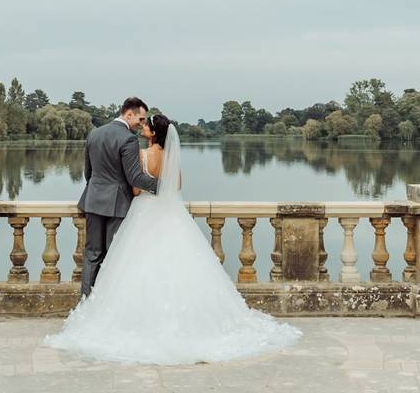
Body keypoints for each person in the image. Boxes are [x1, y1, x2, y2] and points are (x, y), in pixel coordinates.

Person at [45, 113, 301, 365]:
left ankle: (134, 318)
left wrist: (145, 188)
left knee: (134, 264)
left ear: (153, 134)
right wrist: (162, 186)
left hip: (144, 213)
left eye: (147, 125)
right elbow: (176, 185)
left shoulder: (143, 154)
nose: (143, 127)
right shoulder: (169, 157)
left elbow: (135, 187)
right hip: (169, 213)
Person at [77, 97, 158, 297]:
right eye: (140, 119)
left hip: (93, 200)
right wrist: (163, 185)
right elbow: (135, 177)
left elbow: (88, 173)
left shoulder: (94, 133)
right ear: (128, 114)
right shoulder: (128, 138)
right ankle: (107, 303)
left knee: (92, 254)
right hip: (117, 204)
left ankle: (86, 304)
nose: (141, 125)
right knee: (114, 255)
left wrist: (96, 191)